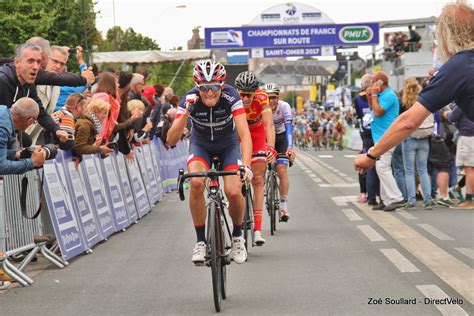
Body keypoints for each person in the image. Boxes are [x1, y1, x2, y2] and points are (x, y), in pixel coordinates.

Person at [354, 1, 473, 183]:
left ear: (448, 36)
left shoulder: (460, 65)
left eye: (437, 36)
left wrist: (371, 155)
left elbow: (409, 121)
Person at [166, 61, 252, 265]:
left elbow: (244, 134)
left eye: (214, 87)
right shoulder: (189, 99)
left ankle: (238, 236)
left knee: (233, 190)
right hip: (201, 144)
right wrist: (186, 111)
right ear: (198, 87)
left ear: (221, 86)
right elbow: (170, 140)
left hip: (228, 145)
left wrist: (246, 165)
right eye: (204, 88)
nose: (209, 93)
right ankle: (201, 241)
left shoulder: (231, 96)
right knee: (196, 183)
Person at [235, 71, 276, 246]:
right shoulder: (231, 96)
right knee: (235, 180)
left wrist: (270, 147)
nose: (245, 98)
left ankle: (257, 229)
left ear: (255, 91)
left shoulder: (261, 97)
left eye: (248, 94)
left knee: (258, 180)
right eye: (242, 94)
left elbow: (268, 124)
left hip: (256, 132)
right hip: (238, 132)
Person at [0, 43, 68, 144]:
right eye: (30, 61)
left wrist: (56, 129)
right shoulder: (2, 81)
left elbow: (39, 111)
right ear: (17, 62)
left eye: (38, 62)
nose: (36, 67)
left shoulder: (28, 84)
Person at [366, 71, 405, 211]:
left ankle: (396, 197)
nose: (371, 85)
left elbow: (378, 111)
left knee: (382, 167)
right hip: (381, 136)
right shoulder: (383, 95)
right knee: (381, 167)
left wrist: (375, 95)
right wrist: (372, 95)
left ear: (380, 82)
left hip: (387, 136)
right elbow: (372, 108)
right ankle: (386, 199)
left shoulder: (388, 95)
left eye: (373, 82)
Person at [263, 83, 295, 223]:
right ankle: (263, 187)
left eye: (274, 98)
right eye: (268, 98)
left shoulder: (284, 106)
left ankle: (284, 208)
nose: (271, 101)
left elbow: (289, 128)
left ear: (278, 97)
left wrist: (290, 147)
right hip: (265, 138)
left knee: (282, 171)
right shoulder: (261, 106)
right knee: (260, 166)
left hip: (281, 138)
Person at [400, 78, 434, 209]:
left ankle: (411, 200)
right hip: (424, 137)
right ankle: (428, 200)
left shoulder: (404, 104)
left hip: (409, 138)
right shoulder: (423, 101)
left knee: (409, 171)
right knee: (423, 170)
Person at [0, 98, 45, 175]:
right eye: (34, 122)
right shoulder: (3, 128)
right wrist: (32, 162)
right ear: (30, 120)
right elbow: (1, 167)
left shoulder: (2, 110)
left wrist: (15, 154)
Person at [353, 74, 380, 205]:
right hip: (377, 131)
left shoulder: (357, 98)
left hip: (365, 133)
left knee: (366, 162)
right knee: (379, 164)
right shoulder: (376, 96)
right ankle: (377, 195)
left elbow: (359, 114)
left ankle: (366, 195)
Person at [443, 105, 474, 209]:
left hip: (467, 136)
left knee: (469, 169)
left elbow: (452, 118)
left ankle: (469, 199)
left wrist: (445, 114)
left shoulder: (465, 101)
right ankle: (460, 191)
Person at [73, 98, 113, 162]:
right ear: (96, 111)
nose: (105, 116)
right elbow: (79, 147)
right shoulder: (85, 125)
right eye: (104, 113)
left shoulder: (89, 124)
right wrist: (100, 148)